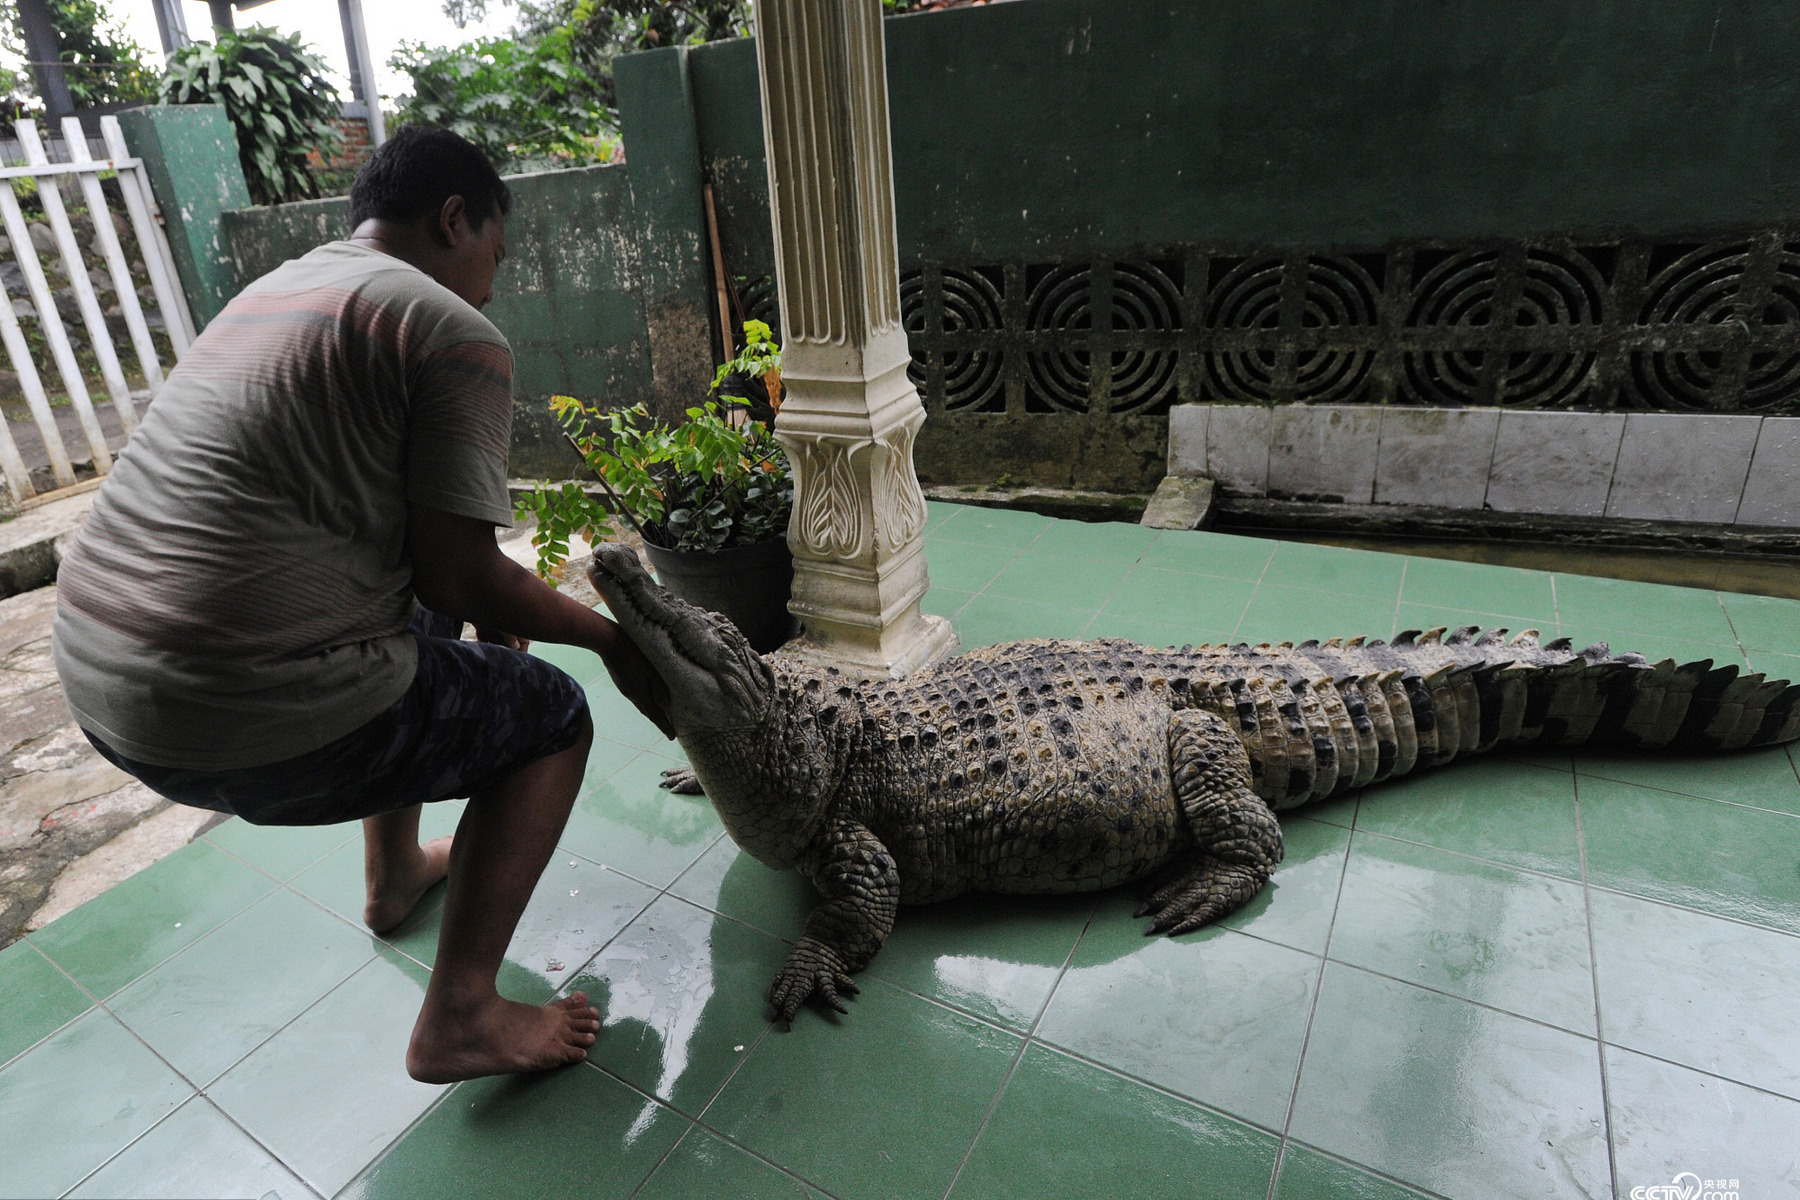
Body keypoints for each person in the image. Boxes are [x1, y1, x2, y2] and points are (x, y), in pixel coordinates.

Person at [51, 126, 672, 1084]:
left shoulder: (277, 290)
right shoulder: (451, 327)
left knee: (429, 632)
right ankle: (462, 1015)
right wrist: (614, 643)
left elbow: (433, 571)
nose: (493, 287)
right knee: (552, 715)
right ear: (455, 218)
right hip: (232, 713)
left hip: (98, 685)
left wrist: (481, 613)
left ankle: (393, 885)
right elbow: (463, 578)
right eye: (494, 257)